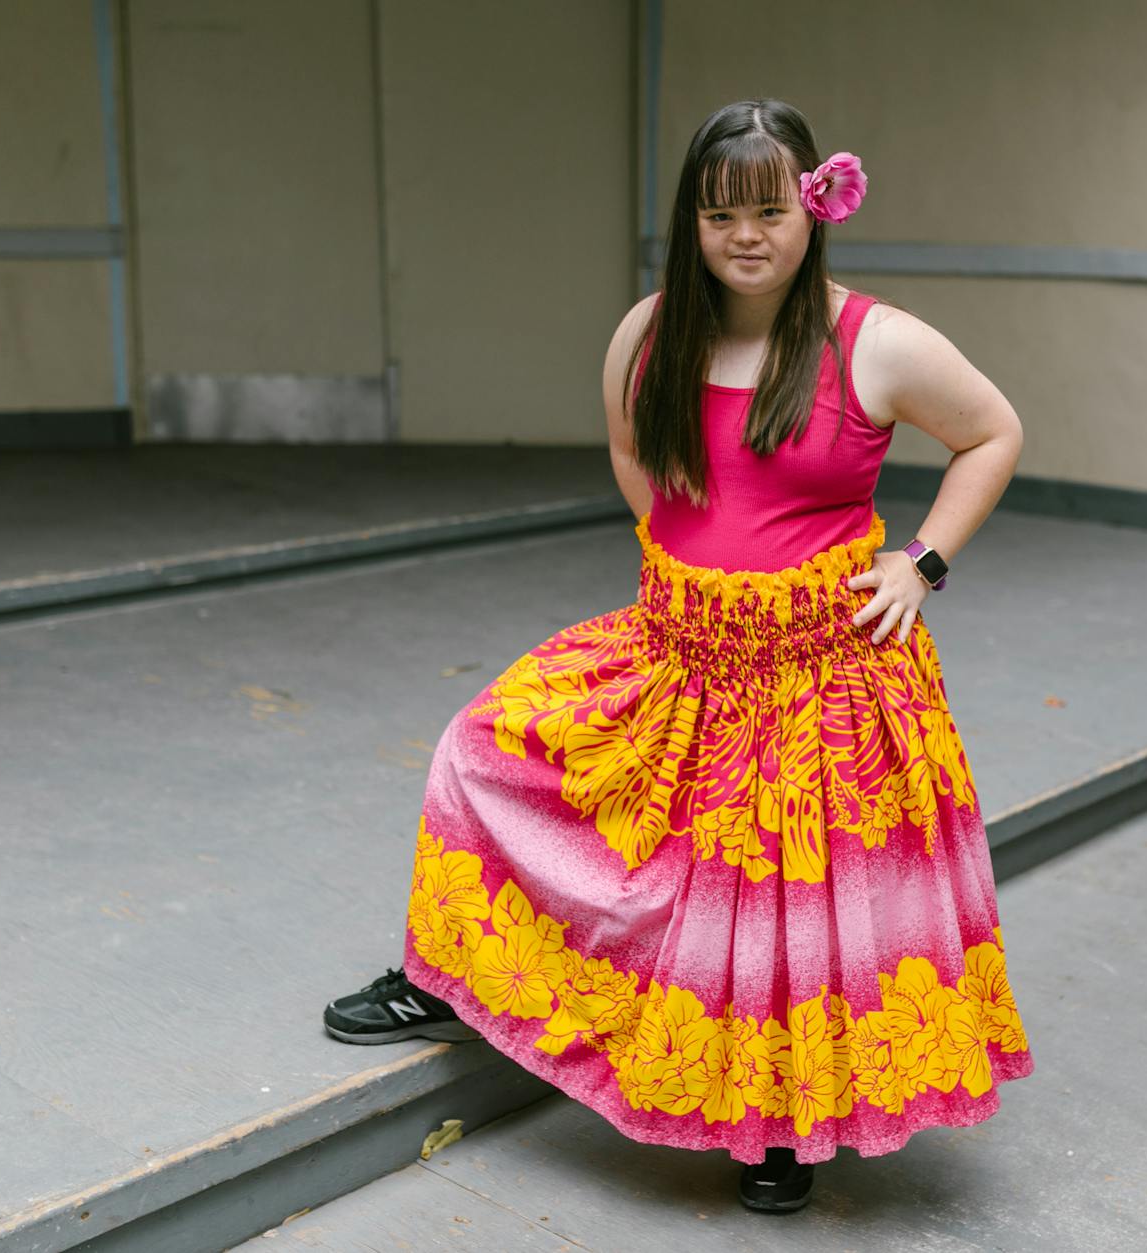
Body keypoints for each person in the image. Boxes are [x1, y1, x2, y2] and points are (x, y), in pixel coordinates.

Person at [324, 97, 1033, 1215]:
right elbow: (628, 444)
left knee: (779, 905)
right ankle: (453, 977)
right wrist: (679, 553)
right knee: (482, 752)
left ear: (813, 207)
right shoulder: (649, 330)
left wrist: (921, 565)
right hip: (678, 642)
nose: (743, 235)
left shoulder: (876, 341)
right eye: (717, 214)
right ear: (690, 223)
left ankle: (776, 1120)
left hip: (821, 673)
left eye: (765, 210)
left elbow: (992, 432)